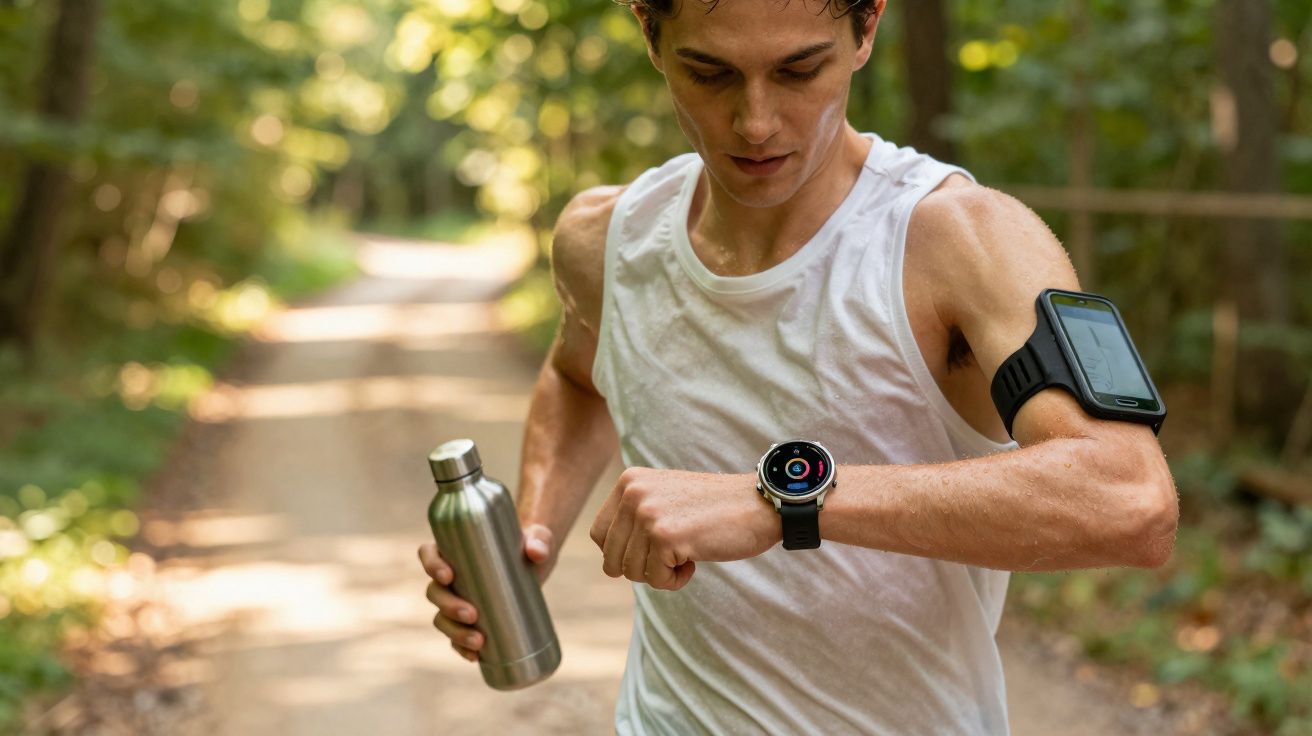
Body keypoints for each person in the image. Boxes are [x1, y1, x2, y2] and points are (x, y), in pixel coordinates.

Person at [419, 0, 1180, 732]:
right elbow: (579, 376)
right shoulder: (606, 241)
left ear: (866, 28)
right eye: (709, 74)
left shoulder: (964, 241)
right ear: (649, 33)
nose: (755, 122)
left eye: (799, 70)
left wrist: (780, 500)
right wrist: (529, 533)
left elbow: (1129, 499)